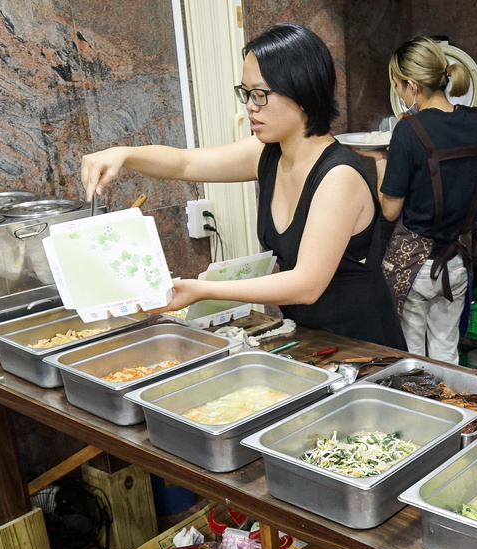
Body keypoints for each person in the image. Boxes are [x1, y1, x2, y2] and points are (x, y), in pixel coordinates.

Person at [80, 24, 406, 348]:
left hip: (365, 348)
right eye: (246, 93)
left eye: (261, 94)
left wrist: (202, 288)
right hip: (313, 340)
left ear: (303, 93)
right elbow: (185, 163)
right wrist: (123, 154)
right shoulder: (267, 152)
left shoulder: (338, 177)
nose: (249, 106)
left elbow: (306, 284)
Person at [358, 37, 477, 363]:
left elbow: (390, 211)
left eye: (397, 86)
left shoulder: (408, 131)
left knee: (410, 358)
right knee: (447, 352)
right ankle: (449, 411)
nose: (400, 95)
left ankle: (417, 412)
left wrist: (380, 159)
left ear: (411, 85)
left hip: (414, 267)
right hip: (458, 263)